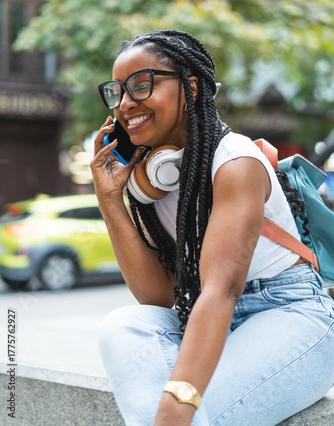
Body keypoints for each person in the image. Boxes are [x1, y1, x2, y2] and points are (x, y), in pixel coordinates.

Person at [91, 29, 334, 426]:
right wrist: (110, 200)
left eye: (142, 85)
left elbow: (221, 289)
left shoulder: (235, 161)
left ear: (190, 86)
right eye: (117, 92)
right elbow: (157, 296)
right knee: (123, 325)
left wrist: (177, 402)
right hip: (205, 320)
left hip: (291, 315)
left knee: (190, 417)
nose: (125, 104)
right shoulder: (153, 180)